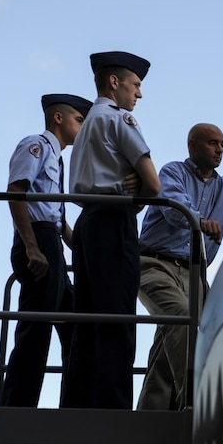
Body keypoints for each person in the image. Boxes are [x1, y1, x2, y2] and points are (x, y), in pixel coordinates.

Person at [136, 123, 223, 410]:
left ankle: (149, 414)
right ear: (192, 146)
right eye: (213, 143)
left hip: (195, 275)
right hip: (154, 265)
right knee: (180, 318)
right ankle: (199, 403)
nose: (219, 150)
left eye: (222, 144)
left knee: (186, 336)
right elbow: (174, 205)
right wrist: (199, 221)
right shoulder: (173, 171)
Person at [62, 51, 161, 409]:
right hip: (114, 221)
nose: (139, 94)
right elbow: (154, 184)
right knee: (116, 318)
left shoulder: (88, 123)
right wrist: (135, 195)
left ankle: (78, 407)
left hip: (87, 223)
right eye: (136, 85)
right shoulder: (120, 120)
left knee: (87, 322)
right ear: (114, 82)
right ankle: (113, 411)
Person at [0, 94, 91, 407]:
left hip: (52, 241)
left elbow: (60, 219)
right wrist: (31, 247)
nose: (83, 127)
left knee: (77, 323)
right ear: (59, 118)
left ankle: (73, 405)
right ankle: (15, 408)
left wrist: (87, 248)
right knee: (35, 330)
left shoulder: (59, 159)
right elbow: (16, 192)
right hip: (38, 240)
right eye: (79, 120)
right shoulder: (35, 145)